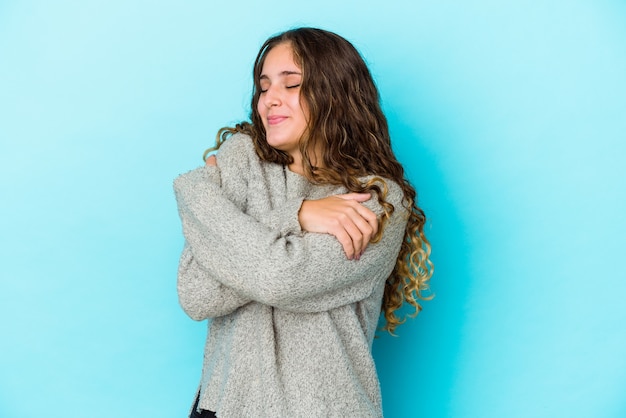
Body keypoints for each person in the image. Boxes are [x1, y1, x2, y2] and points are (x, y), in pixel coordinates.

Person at [173, 27, 433, 418]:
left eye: (291, 84)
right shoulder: (241, 159)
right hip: (224, 406)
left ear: (334, 94)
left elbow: (280, 278)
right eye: (263, 87)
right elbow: (196, 294)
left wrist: (196, 193)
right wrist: (298, 216)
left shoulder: (377, 200)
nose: (269, 100)